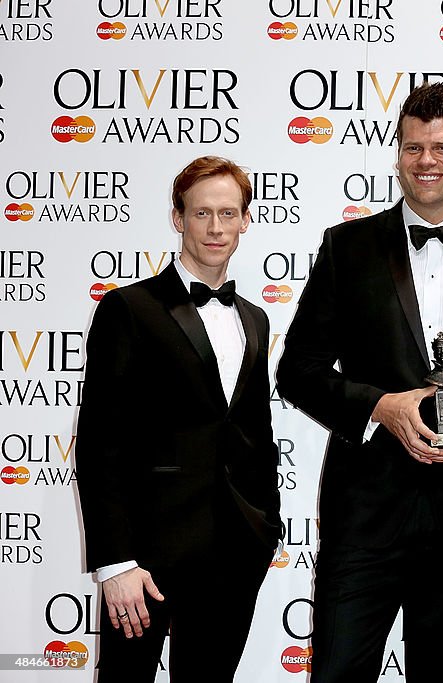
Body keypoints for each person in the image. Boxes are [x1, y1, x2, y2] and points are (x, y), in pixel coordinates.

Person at [276, 82, 443, 683]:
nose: (427, 160)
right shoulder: (346, 247)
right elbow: (297, 370)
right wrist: (379, 406)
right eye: (413, 147)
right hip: (366, 514)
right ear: (397, 153)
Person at [76, 156, 282, 682]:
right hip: (147, 556)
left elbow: (255, 432)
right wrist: (116, 563)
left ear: (245, 220)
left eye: (229, 214)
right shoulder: (129, 308)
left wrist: (266, 526)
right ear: (178, 218)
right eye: (202, 213)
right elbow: (101, 442)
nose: (216, 228)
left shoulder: (254, 319)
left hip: (235, 551)